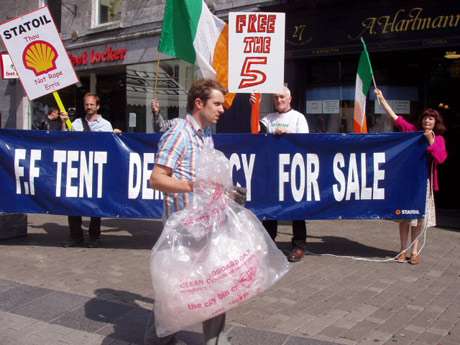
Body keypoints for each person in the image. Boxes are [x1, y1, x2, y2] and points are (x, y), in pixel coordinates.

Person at [145, 79, 243, 345]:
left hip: (205, 225)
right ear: (199, 103)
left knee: (216, 287)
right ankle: (157, 340)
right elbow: (156, 179)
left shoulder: (206, 134)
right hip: (182, 231)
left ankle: (217, 340)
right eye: (217, 104)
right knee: (174, 295)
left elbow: (205, 180)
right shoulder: (179, 132)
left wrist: (228, 192)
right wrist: (192, 186)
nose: (222, 110)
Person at [375, 89, 448, 265]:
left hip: (424, 184)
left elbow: (441, 158)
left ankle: (414, 252)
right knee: (405, 217)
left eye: (431, 118)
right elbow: (397, 119)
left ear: (435, 122)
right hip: (407, 182)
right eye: (425, 117)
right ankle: (403, 250)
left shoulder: (439, 139)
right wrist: (383, 100)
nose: (427, 120)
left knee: (419, 219)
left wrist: (430, 141)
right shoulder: (413, 131)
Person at [251, 86, 310, 262]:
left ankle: (299, 246)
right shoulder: (268, 119)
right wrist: (253, 108)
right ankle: (268, 243)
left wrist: (288, 136)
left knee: (297, 210)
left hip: (293, 171)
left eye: (282, 97)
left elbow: (306, 142)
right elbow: (255, 132)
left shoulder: (298, 118)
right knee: (271, 209)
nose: (279, 100)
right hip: (273, 171)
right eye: (276, 98)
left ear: (289, 99)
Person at [63, 93, 114, 248]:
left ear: (97, 106)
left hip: (96, 169)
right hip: (78, 169)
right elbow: (65, 140)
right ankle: (75, 236)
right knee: (73, 202)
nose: (89, 107)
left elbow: (111, 146)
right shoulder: (77, 123)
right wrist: (65, 123)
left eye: (92, 104)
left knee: (95, 204)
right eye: (86, 104)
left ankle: (94, 237)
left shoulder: (105, 125)